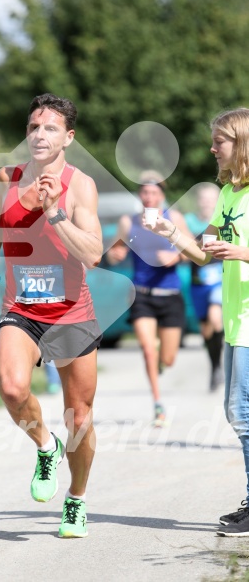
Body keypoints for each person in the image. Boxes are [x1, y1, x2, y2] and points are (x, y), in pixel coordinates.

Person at [0, 93, 103, 538]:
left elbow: (93, 252)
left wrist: (55, 214)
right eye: (33, 127)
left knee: (79, 417)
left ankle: (76, 499)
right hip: (22, 307)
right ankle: (44, 446)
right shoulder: (7, 177)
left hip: (71, 312)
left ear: (68, 137)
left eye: (49, 128)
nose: (39, 135)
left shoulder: (80, 184)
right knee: (12, 389)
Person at [144, 107, 249, 537]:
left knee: (243, 412)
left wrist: (242, 253)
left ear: (240, 143)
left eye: (219, 141)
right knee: (237, 412)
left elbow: (231, 251)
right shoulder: (228, 194)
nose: (212, 148)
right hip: (234, 319)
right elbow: (205, 252)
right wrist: (170, 231)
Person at [107, 172, 190, 426]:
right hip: (142, 295)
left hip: (170, 295)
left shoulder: (173, 218)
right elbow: (111, 254)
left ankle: (161, 364)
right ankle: (158, 405)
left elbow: (191, 253)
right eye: (144, 192)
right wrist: (116, 254)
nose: (149, 197)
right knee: (147, 349)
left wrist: (175, 257)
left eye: (153, 192)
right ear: (139, 195)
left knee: (168, 358)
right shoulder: (127, 222)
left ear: (162, 195)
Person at [184, 184, 224, 391]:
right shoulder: (189, 221)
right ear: (198, 200)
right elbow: (182, 250)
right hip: (197, 282)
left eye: (212, 198)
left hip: (219, 280)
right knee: (205, 330)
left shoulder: (223, 219)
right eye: (204, 198)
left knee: (216, 317)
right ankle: (215, 366)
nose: (208, 202)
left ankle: (220, 366)